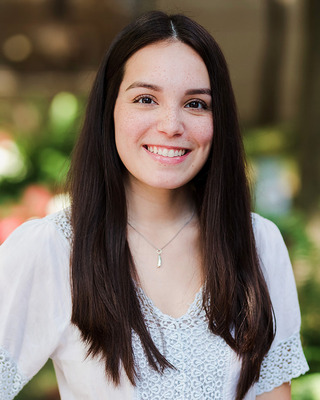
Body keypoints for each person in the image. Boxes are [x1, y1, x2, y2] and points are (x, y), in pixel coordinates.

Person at [0, 11, 308, 400]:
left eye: (196, 104)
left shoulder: (258, 243)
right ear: (109, 109)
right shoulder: (52, 249)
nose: (171, 124)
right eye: (146, 99)